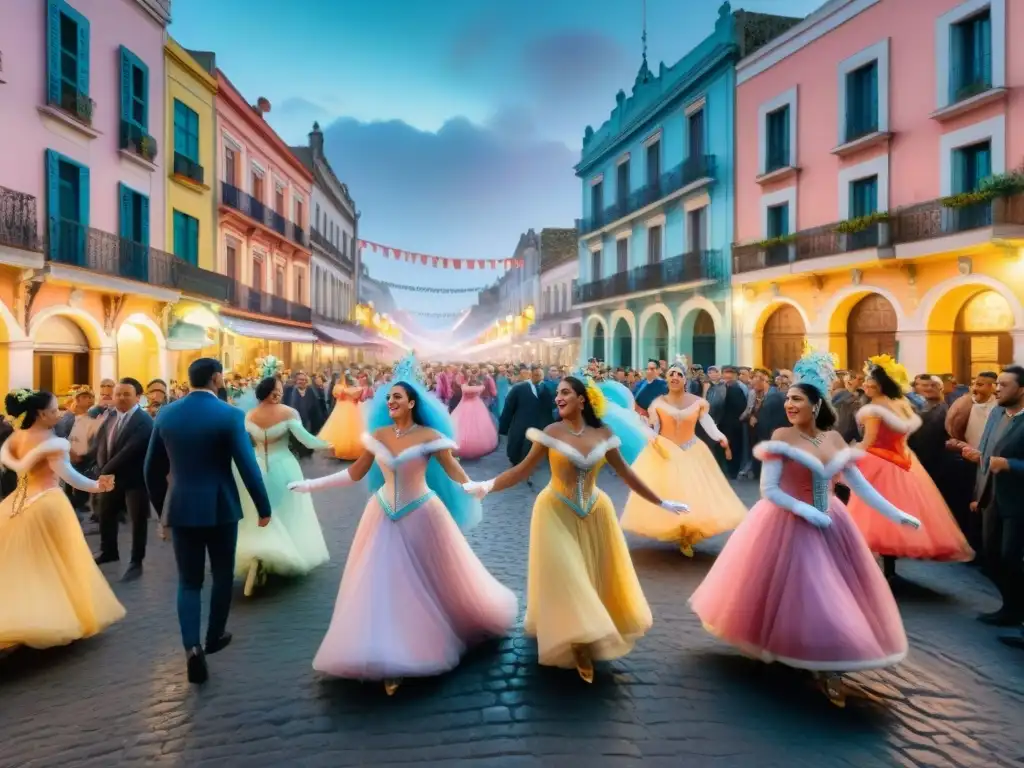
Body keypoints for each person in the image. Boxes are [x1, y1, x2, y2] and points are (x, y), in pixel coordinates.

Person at [689, 346, 919, 707]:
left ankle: (831, 668)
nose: (789, 404)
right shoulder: (781, 436)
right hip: (786, 523)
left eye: (797, 399)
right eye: (788, 399)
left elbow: (858, 485)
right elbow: (769, 490)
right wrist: (805, 511)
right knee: (797, 593)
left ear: (816, 404)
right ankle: (788, 649)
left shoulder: (833, 439)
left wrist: (897, 513)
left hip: (832, 525)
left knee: (833, 594)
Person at [288, 356, 517, 695]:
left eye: (398, 397)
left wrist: (474, 487)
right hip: (381, 514)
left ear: (412, 402)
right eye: (389, 397)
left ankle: (423, 640)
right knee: (382, 583)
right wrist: (310, 485)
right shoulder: (378, 436)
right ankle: (386, 650)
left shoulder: (429, 435)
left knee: (432, 581)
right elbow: (354, 473)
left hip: (422, 512)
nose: (391, 401)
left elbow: (452, 469)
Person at [463, 376, 687, 683]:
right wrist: (486, 485)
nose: (558, 397)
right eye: (557, 393)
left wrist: (662, 502)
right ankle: (579, 645)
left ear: (582, 399)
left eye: (565, 392)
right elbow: (521, 470)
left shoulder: (604, 434)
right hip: (555, 510)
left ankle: (587, 634)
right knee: (569, 573)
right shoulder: (551, 432)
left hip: (595, 512)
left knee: (591, 576)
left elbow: (627, 475)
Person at [144, 357, 272, 684]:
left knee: (188, 581)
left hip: (182, 508)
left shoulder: (167, 414)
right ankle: (215, 635)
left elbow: (151, 470)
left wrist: (163, 511)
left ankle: (192, 648)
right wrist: (263, 506)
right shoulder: (229, 415)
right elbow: (247, 466)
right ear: (217, 378)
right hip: (220, 507)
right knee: (222, 572)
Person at [0, 389, 123, 651]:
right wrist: (100, 486)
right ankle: (54, 618)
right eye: (55, 410)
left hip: (16, 504)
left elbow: (9, 460)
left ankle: (26, 615)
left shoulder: (16, 437)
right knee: (58, 564)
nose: (59, 413)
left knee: (22, 565)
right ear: (41, 414)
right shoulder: (53, 443)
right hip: (47, 505)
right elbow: (72, 478)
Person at [844, 355, 972, 583]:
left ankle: (877, 570)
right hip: (905, 461)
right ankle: (890, 569)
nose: (865, 386)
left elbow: (869, 441)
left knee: (871, 514)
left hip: (878, 463)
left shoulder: (874, 409)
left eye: (869, 384)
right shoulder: (902, 403)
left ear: (878, 386)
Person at [621, 358, 746, 556]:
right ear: (667, 379)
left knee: (694, 493)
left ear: (685, 380)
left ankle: (688, 535)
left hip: (692, 450)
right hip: (667, 452)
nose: (675, 377)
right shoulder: (658, 404)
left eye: (679, 374)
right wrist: (649, 434)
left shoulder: (698, 403)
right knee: (671, 492)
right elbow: (653, 428)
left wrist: (721, 437)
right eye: (671, 374)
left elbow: (708, 424)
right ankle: (680, 532)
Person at [235, 375, 331, 596]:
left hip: (257, 467)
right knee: (289, 512)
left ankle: (260, 556)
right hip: (284, 467)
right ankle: (283, 553)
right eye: (277, 389)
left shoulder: (249, 415)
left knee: (262, 512)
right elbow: (306, 439)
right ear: (274, 392)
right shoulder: (288, 413)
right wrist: (327, 444)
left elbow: (242, 442)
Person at [964, 365, 1024, 635]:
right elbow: (987, 454)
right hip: (992, 499)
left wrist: (1011, 464)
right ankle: (1011, 607)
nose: (998, 389)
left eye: (1004, 385)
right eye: (997, 384)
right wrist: (979, 493)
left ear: (1021, 390)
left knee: (1011, 559)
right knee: (990, 558)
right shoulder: (997, 413)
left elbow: (1003, 461)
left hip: (1018, 503)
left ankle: (1015, 613)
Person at [92, 378, 153, 582]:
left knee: (138, 521)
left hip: (135, 479)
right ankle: (108, 551)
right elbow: (100, 443)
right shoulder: (110, 417)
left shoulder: (144, 421)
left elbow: (130, 450)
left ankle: (136, 561)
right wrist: (100, 467)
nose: (121, 398)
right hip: (111, 478)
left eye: (127, 394)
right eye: (118, 394)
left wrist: (105, 470)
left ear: (138, 397)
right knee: (106, 514)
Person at [498, 365, 554, 470]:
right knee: (517, 443)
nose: (539, 377)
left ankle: (530, 463)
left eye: (541, 375)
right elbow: (509, 408)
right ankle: (516, 462)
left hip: (538, 424)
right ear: (531, 374)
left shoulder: (546, 389)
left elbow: (549, 408)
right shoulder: (519, 388)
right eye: (536, 375)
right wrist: (504, 427)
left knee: (533, 445)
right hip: (521, 423)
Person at [318, 373, 367, 461]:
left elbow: (337, 393)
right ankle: (352, 450)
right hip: (352, 409)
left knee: (341, 429)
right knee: (353, 429)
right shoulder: (355, 389)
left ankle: (341, 450)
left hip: (342, 408)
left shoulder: (339, 388)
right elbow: (358, 397)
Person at [450, 371, 498, 459]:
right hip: (477, 406)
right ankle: (477, 444)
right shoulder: (477, 388)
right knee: (477, 426)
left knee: (461, 426)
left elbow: (467, 389)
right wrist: (481, 384)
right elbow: (478, 389)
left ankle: (465, 444)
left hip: (465, 406)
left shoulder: (465, 387)